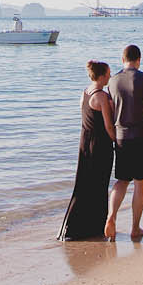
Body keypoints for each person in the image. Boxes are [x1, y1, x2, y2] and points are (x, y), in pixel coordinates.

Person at [105, 43, 143, 240]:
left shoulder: (112, 81)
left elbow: (111, 110)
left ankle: (111, 216)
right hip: (142, 137)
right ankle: (135, 228)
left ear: (122, 60)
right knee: (140, 183)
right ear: (139, 60)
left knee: (121, 181)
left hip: (121, 138)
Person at [60, 60, 118, 240]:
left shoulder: (85, 92)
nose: (110, 76)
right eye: (108, 73)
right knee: (99, 184)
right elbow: (109, 126)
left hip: (85, 141)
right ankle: (93, 226)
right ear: (102, 75)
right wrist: (117, 140)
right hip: (100, 144)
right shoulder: (101, 96)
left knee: (84, 183)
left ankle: (77, 226)